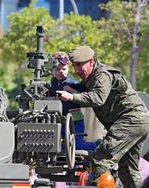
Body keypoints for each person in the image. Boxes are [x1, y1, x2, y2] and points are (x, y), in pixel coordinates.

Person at [57, 46, 149, 187]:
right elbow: (86, 89)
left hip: (131, 120)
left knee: (100, 158)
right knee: (128, 169)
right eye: (74, 66)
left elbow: (97, 98)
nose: (76, 70)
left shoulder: (102, 74)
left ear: (92, 61)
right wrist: (72, 88)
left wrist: (71, 96)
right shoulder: (91, 77)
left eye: (80, 65)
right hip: (136, 122)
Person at [49, 51, 96, 151]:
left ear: (68, 69)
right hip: (58, 121)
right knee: (54, 146)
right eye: (57, 69)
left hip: (75, 120)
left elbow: (87, 96)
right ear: (51, 70)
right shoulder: (50, 85)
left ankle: (97, 146)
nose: (61, 71)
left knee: (76, 146)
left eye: (64, 69)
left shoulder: (73, 83)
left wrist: (72, 92)